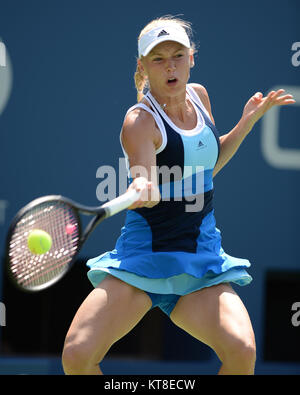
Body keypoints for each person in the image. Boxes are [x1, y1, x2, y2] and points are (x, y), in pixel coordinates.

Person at [61, 16, 295, 375]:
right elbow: (144, 182)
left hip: (201, 259)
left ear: (191, 58)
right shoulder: (139, 122)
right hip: (143, 259)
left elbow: (207, 168)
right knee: (77, 354)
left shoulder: (200, 97)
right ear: (142, 66)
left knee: (242, 351)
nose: (170, 66)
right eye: (158, 58)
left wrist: (246, 121)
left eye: (178, 55)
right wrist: (143, 186)